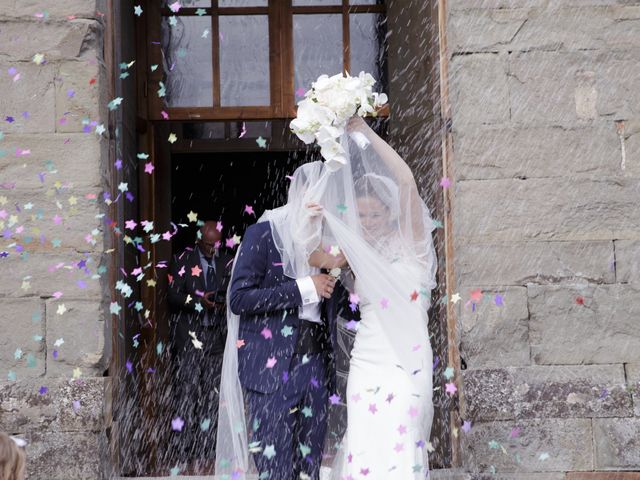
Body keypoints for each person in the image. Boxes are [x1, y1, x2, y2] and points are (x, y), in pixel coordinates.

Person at [311, 116, 438, 479]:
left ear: (389, 212)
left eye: (374, 213)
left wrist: (364, 132)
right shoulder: (355, 255)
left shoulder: (413, 246)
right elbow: (311, 256)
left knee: (401, 436)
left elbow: (406, 182)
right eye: (360, 214)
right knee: (365, 441)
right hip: (367, 359)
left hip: (406, 357)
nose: (366, 221)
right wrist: (308, 217)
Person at [215, 162, 348, 480]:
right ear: (300, 194)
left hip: (315, 364)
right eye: (317, 197)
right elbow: (239, 299)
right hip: (269, 365)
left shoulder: (332, 244)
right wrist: (305, 288)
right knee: (274, 469)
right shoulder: (263, 233)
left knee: (310, 466)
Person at [166, 221, 234, 474]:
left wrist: (221, 302)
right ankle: (182, 450)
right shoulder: (182, 260)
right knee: (187, 392)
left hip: (217, 338)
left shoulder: (228, 262)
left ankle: (208, 450)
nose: (211, 250)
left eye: (215, 245)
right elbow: (172, 295)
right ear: (198, 242)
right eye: (207, 245)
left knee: (212, 395)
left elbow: (236, 294)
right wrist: (198, 301)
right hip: (190, 337)